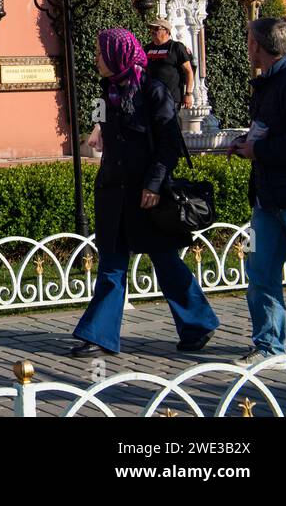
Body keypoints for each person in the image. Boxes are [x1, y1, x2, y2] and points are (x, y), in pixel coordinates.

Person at [70, 28, 219, 357]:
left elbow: (170, 145)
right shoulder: (105, 91)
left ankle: (197, 323)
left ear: (116, 55)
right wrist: (96, 133)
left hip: (146, 195)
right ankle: (100, 336)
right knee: (111, 264)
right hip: (113, 194)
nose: (96, 59)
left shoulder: (154, 91)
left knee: (165, 261)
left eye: (100, 53)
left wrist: (154, 184)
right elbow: (101, 126)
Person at [226, 18, 286, 367]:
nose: (247, 47)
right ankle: (269, 347)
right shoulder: (265, 85)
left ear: (258, 45)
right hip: (266, 201)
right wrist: (247, 144)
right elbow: (267, 132)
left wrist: (260, 151)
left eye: (248, 41)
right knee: (260, 274)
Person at [145, 17, 196, 114]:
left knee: (168, 127)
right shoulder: (147, 48)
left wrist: (188, 94)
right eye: (151, 29)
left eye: (156, 29)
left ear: (167, 31)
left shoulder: (176, 47)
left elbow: (189, 71)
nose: (152, 31)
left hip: (170, 97)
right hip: (151, 96)